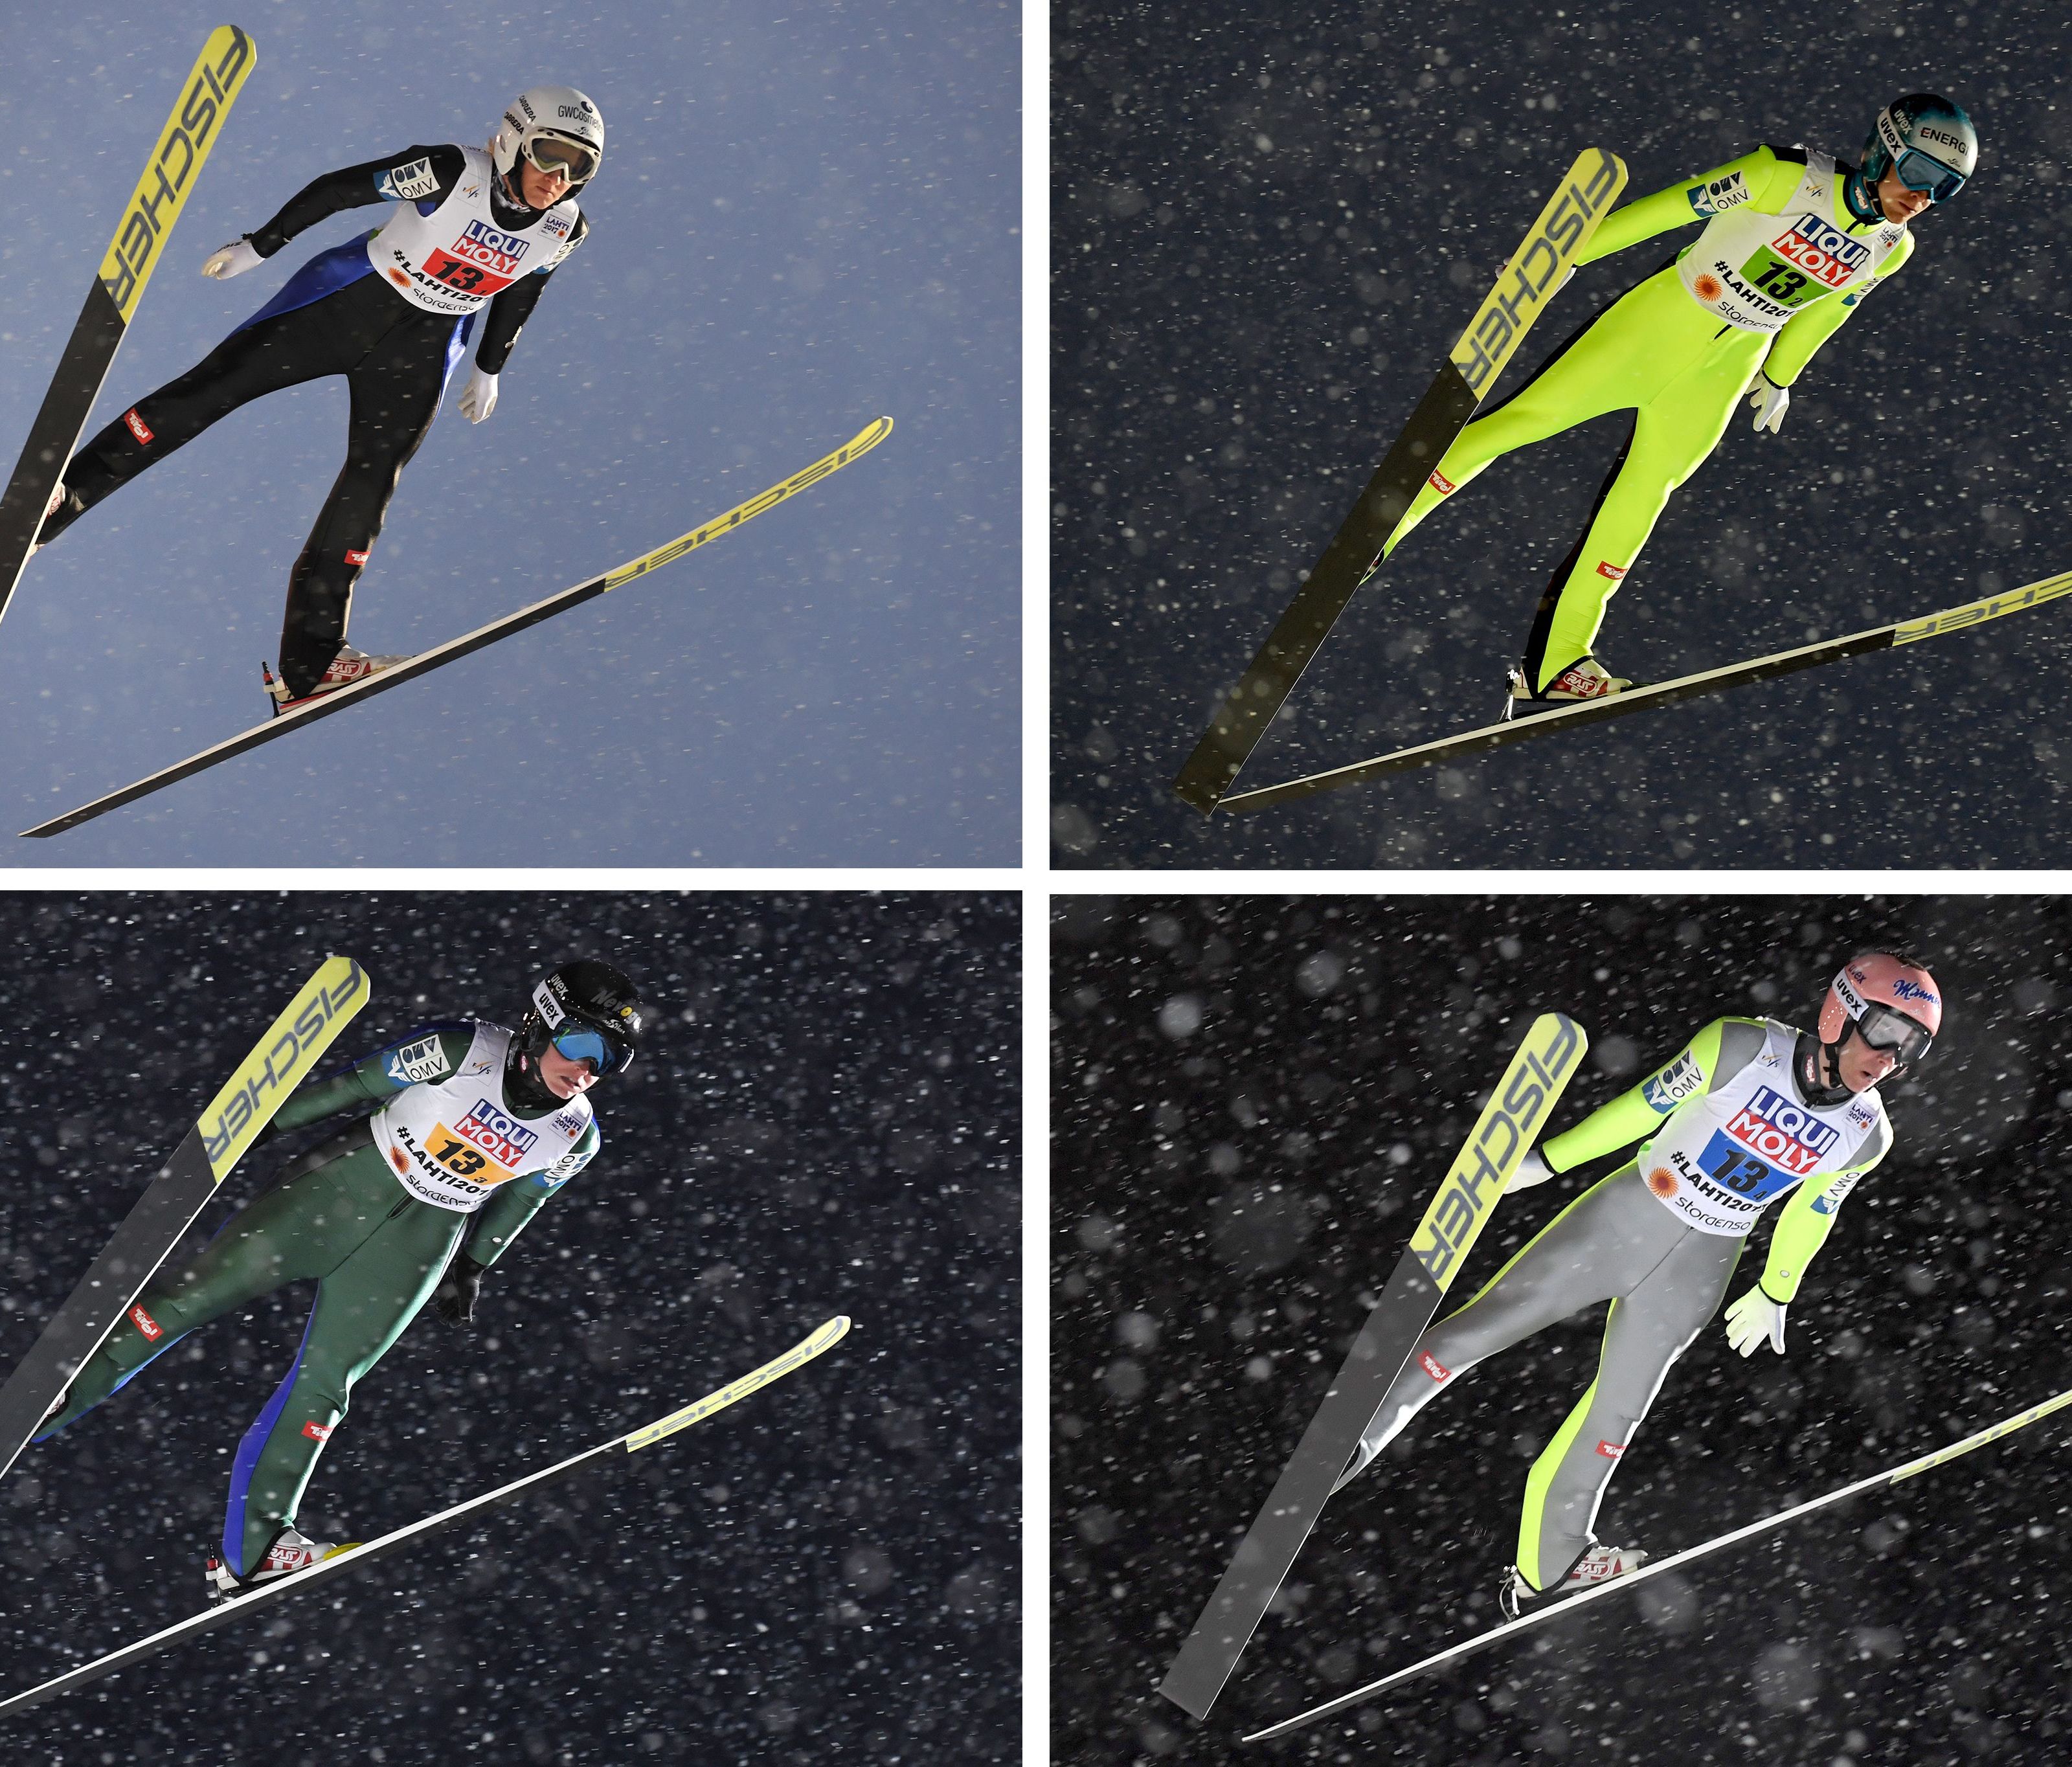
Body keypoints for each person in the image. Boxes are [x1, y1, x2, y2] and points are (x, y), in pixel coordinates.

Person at [1333, 951, 1941, 1618]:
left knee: (1615, 1415)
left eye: (1911, 1046)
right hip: (1626, 1215)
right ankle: (1357, 1431)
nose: (1890, 1057)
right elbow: (1642, 1106)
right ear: (1840, 1011)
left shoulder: (1866, 1132)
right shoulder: (1741, 1045)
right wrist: (1547, 1160)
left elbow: (1814, 1208)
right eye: (1885, 1030)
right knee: (1490, 1324)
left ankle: (1549, 1560)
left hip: (1702, 1264)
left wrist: (1776, 1290)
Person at [33, 960, 644, 1599]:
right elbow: (352, 1086)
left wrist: (471, 1268)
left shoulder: (576, 1136)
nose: (587, 1069)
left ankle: (256, 1549)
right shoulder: (463, 1050)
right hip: (339, 1188)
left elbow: (521, 1202)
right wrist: (258, 1128)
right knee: (187, 1298)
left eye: (609, 1061)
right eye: (581, 1043)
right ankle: (57, 1394)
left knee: (327, 1387)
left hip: (418, 1242)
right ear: (540, 1022)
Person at [1372, 95, 1976, 717]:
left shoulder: (1891, 248)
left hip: (1724, 369)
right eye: (1921, 174)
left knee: (1643, 498)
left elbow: (1828, 311)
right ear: (1883, 152)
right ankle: (1383, 529)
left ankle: (1559, 664)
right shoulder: (1786, 176)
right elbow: (1666, 212)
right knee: (1524, 421)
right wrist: (1565, 257)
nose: (1925, 198)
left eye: (1947, 189)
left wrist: (1780, 376)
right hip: (1659, 325)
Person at [28, 85, 604, 714]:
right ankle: (60, 501)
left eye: (579, 168)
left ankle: (313, 664)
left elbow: (522, 290)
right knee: (214, 388)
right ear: (516, 138)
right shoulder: (450, 171)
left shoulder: (564, 228)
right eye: (550, 154)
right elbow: (339, 190)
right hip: (347, 302)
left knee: (370, 484)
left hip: (420, 352)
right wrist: (262, 244)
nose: (559, 178)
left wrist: (490, 368)